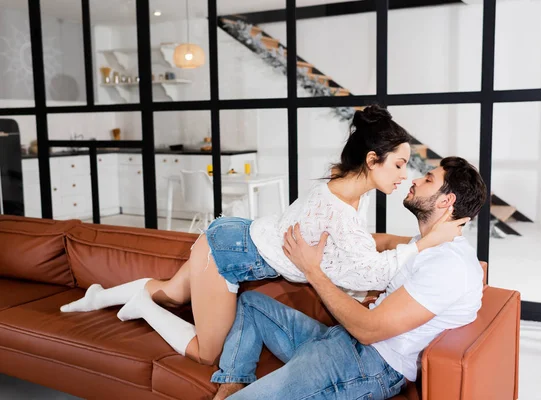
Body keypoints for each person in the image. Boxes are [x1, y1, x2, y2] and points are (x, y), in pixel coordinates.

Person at [59, 105, 467, 366]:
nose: (404, 176)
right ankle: (140, 307)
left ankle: (98, 296)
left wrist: (409, 243)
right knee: (207, 353)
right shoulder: (337, 210)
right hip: (227, 252)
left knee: (173, 291)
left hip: (230, 235)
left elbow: (361, 247)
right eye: (398, 165)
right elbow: (371, 275)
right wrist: (424, 242)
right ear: (372, 160)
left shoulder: (346, 188)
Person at [211, 157, 487, 400]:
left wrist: (313, 271)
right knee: (251, 304)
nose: (413, 179)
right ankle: (233, 380)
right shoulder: (428, 244)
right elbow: (385, 242)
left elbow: (368, 331)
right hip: (342, 339)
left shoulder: (449, 265)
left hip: (370, 364)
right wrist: (334, 231)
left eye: (428, 179)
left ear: (445, 201)